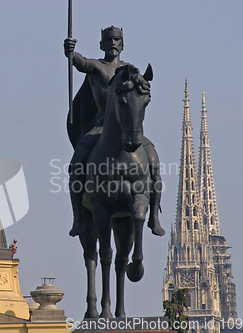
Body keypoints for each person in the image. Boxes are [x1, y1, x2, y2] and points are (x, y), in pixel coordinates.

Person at [65, 26, 165, 237]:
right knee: (77, 163)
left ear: (122, 44)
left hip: (129, 130)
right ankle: (78, 218)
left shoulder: (130, 70)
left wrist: (145, 88)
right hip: (100, 128)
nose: (113, 43)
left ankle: (154, 216)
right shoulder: (96, 67)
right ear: (102, 45)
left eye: (117, 40)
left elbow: (140, 90)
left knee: (154, 163)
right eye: (108, 40)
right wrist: (71, 53)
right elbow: (81, 63)